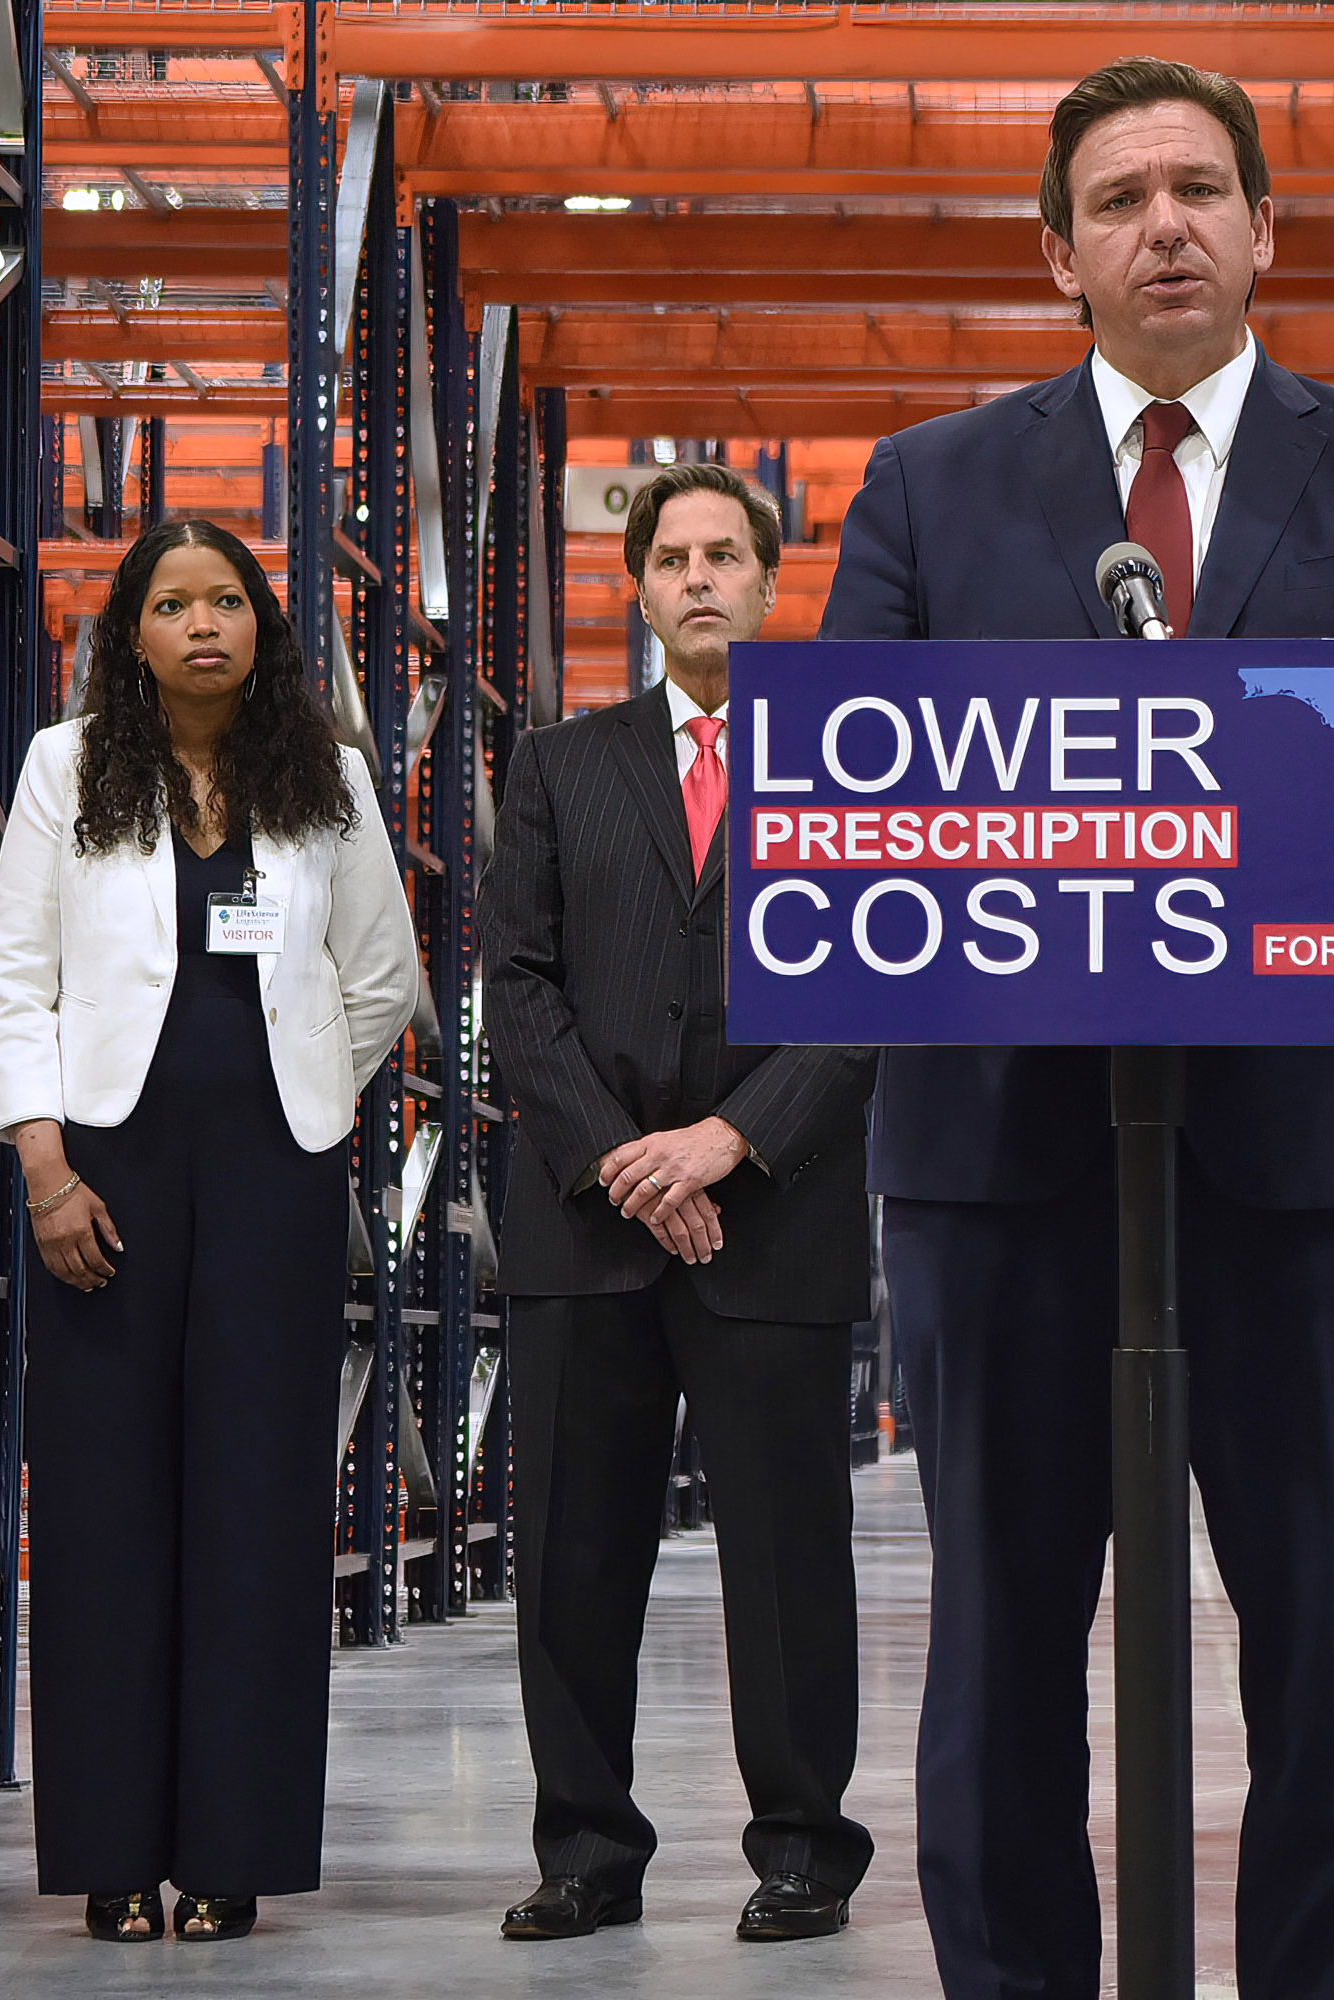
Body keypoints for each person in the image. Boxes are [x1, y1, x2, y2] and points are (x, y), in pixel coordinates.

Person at [819, 56, 1334, 2000]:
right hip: (1000, 1154)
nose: (1167, 224)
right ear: (1060, 252)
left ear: (1268, 225)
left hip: (1300, 1161)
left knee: (1325, 1645)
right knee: (1000, 1651)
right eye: (1119, 198)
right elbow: (858, 802)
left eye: (1202, 186)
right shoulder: (927, 488)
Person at [0, 518, 417, 1945]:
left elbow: (384, 978)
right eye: (173, 603)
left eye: (227, 599)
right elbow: (16, 976)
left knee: (258, 1512)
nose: (204, 624)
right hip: (101, 1171)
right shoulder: (64, 767)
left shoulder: (328, 779)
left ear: (259, 623)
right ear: (134, 630)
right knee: (105, 1510)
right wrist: (43, 1167)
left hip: (274, 1180)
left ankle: (231, 1855)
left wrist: (306, 1104)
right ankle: (111, 1852)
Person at [479, 462, 878, 1947]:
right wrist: (623, 1161)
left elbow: (870, 994)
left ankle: (801, 1850)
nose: (701, 578)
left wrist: (725, 1141)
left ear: (771, 585)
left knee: (787, 1555)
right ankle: (585, 1846)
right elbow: (514, 985)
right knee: (572, 1553)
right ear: (638, 589)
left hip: (772, 1213)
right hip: (588, 1224)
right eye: (673, 559)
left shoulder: (848, 768)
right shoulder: (561, 764)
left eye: (727, 555)